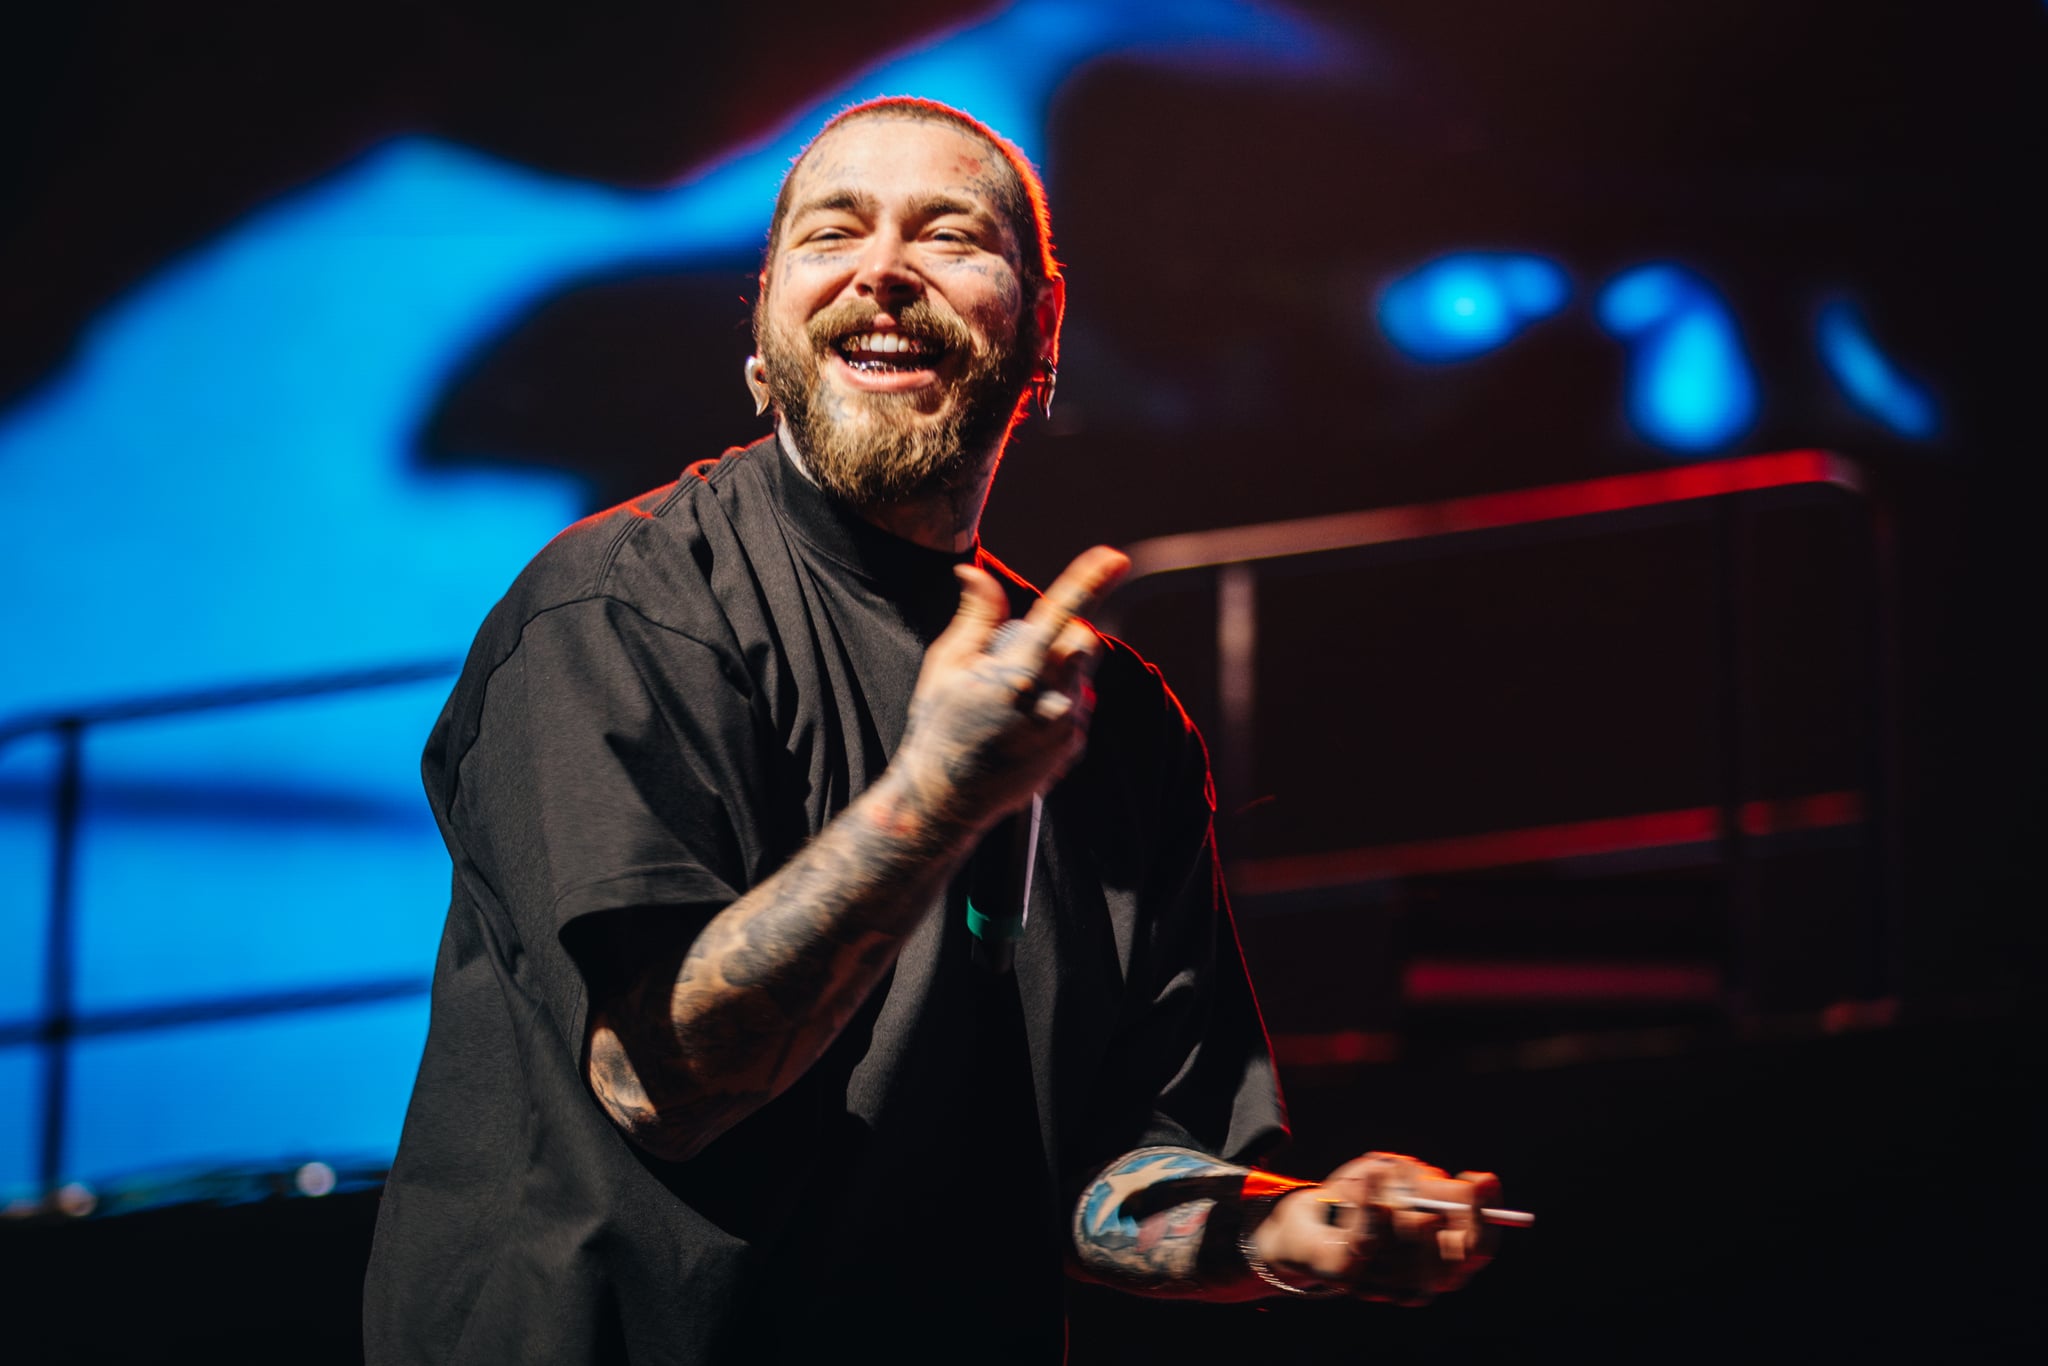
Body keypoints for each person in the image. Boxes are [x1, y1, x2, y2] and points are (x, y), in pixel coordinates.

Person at [364, 97, 1502, 1365]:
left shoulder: (1109, 722)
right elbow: (660, 1081)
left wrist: (1293, 1233)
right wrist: (941, 796)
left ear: (1042, 331)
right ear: (763, 334)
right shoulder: (619, 607)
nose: (883, 268)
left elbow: (1109, 1172)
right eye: (829, 232)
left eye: (948, 235)